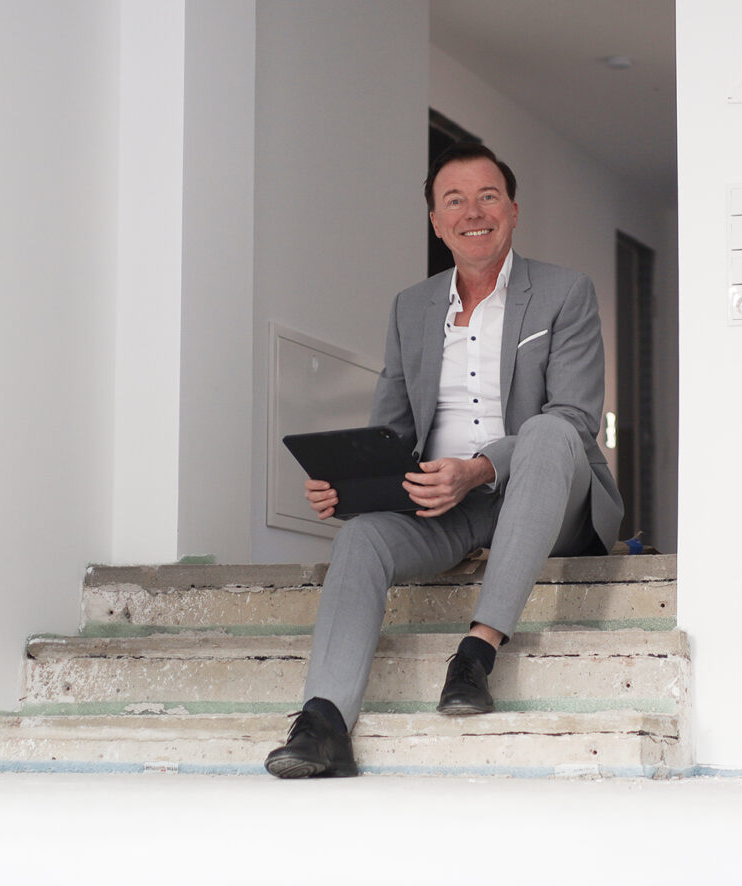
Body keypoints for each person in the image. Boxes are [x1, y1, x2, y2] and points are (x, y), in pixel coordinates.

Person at [264, 143, 621, 779]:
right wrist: (351, 487)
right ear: (435, 221)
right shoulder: (412, 307)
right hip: (445, 504)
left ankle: (477, 653)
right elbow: (394, 430)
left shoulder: (565, 292)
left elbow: (574, 418)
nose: (472, 212)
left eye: (488, 197)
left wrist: (479, 468)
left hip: (545, 492)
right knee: (362, 538)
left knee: (547, 430)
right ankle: (324, 722)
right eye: (454, 201)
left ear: (513, 210)